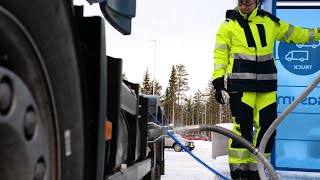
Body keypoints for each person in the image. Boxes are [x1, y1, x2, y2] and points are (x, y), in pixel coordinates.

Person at [212, 0, 320, 179]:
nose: (244, 6)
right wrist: (218, 82)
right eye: (241, 2)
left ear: (256, 2)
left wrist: (317, 33)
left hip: (266, 88)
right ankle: (239, 172)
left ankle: (257, 171)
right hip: (241, 87)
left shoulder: (270, 23)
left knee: (268, 129)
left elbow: (297, 34)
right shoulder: (228, 25)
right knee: (242, 130)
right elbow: (220, 55)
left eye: (248, 3)